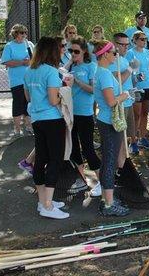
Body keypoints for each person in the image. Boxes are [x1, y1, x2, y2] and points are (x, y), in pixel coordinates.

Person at [23, 37, 70, 219]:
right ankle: (48, 206)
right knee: (55, 160)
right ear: (52, 52)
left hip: (37, 119)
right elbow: (53, 100)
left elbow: (28, 97)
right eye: (59, 49)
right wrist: (65, 91)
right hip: (52, 120)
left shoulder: (29, 71)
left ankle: (43, 201)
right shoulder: (51, 72)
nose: (61, 52)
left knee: (40, 158)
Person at [92, 39, 131, 216]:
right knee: (109, 162)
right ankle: (108, 204)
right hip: (109, 123)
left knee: (110, 160)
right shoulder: (105, 74)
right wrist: (124, 95)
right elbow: (110, 101)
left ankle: (107, 198)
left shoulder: (102, 72)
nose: (116, 55)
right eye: (114, 52)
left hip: (107, 121)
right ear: (105, 54)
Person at [67, 36, 101, 196]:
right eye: (70, 51)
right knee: (73, 148)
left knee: (88, 148)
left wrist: (78, 82)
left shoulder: (91, 66)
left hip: (85, 114)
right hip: (70, 113)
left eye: (76, 51)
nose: (73, 54)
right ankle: (81, 179)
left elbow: (94, 90)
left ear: (84, 52)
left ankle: (102, 181)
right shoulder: (70, 66)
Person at [1, 23, 35, 138]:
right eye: (21, 33)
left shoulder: (29, 44)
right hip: (16, 80)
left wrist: (31, 61)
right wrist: (22, 62)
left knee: (28, 102)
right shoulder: (9, 46)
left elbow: (35, 58)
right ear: (15, 34)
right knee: (18, 103)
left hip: (30, 79)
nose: (24, 35)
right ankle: (17, 128)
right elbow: (6, 62)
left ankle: (29, 126)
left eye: (25, 32)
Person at [109, 32, 137, 164]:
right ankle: (118, 167)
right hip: (120, 104)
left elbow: (128, 81)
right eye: (123, 45)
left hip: (128, 101)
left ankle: (124, 164)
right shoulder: (113, 61)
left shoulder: (124, 59)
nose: (126, 47)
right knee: (119, 137)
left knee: (128, 135)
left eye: (128, 44)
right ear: (115, 44)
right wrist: (130, 69)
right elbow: (117, 81)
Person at [128, 31, 149, 151]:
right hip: (137, 87)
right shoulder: (130, 53)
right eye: (141, 39)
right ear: (135, 40)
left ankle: (142, 137)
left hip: (148, 86)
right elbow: (128, 71)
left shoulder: (148, 53)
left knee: (145, 113)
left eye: (145, 39)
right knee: (136, 114)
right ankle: (133, 141)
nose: (144, 41)